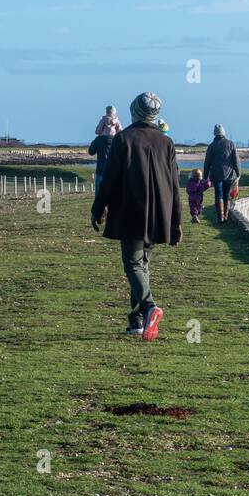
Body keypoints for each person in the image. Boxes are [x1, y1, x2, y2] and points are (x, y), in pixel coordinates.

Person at [91, 92, 182, 340]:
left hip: (131, 211)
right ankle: (137, 321)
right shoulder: (167, 142)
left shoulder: (123, 139)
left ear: (133, 112)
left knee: (132, 264)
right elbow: (175, 184)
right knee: (142, 266)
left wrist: (97, 209)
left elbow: (109, 180)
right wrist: (176, 221)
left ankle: (150, 307)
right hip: (159, 213)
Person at [202, 124, 241, 223]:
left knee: (218, 195)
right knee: (226, 195)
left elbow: (207, 162)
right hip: (229, 175)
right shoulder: (230, 143)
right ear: (224, 132)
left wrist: (205, 176)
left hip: (216, 174)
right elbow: (236, 160)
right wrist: (238, 173)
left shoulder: (211, 146)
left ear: (214, 133)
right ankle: (226, 216)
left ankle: (220, 217)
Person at [88, 132, 113, 197]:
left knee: (99, 197)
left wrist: (95, 140)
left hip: (101, 171)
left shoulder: (98, 140)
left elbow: (91, 151)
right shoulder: (118, 139)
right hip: (113, 172)